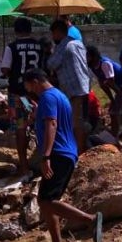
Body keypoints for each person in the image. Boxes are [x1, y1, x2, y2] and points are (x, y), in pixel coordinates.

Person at [22, 68, 104, 242]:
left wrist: (46, 155)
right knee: (48, 200)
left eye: (29, 87)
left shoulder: (48, 98)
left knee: (46, 201)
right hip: (66, 152)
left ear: (35, 81)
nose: (30, 92)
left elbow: (52, 124)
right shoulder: (60, 96)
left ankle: (90, 220)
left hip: (58, 154)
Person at [0, 17, 43, 173]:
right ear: (30, 29)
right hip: (37, 93)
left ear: (16, 31)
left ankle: (24, 165)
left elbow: (5, 69)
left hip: (18, 93)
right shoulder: (39, 46)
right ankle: (42, 159)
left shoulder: (11, 47)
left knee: (20, 127)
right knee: (41, 123)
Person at [45, 19, 91, 152]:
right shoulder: (78, 43)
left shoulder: (64, 45)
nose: (52, 38)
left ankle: (78, 151)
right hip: (83, 86)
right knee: (80, 119)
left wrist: (50, 53)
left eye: (53, 34)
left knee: (76, 122)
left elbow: (51, 64)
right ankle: (79, 148)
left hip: (73, 89)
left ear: (58, 32)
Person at [86, 45, 122, 138]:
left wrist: (120, 96)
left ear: (93, 56)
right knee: (113, 111)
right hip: (118, 88)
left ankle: (118, 136)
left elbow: (110, 82)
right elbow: (103, 85)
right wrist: (112, 99)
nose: (85, 58)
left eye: (87, 56)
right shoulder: (93, 67)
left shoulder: (104, 64)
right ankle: (114, 136)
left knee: (118, 112)